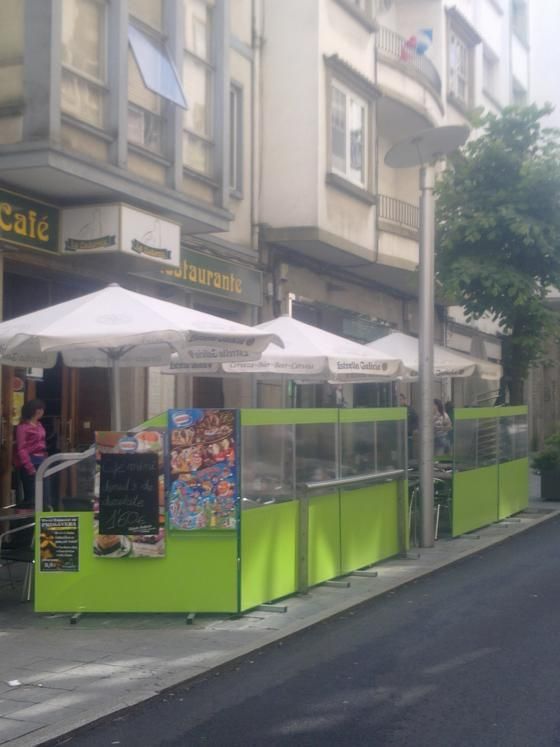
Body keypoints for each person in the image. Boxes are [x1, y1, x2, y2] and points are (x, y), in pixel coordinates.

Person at [14, 399, 48, 507]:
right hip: (30, 462)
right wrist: (29, 467)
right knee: (32, 497)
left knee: (44, 495)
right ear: (35, 410)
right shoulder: (23, 427)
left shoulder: (39, 425)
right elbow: (21, 449)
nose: (42, 412)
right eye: (40, 409)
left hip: (42, 461)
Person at [399, 393, 419, 459]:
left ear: (404, 400)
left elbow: (416, 420)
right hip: (398, 436)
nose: (399, 401)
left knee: (408, 452)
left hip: (408, 435)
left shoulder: (410, 410)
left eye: (400, 399)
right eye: (398, 400)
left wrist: (414, 429)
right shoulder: (394, 409)